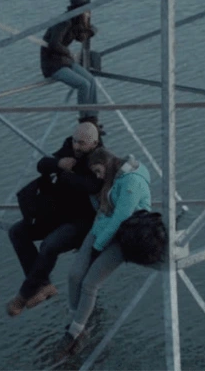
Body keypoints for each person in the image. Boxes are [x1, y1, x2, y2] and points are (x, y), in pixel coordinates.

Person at [6, 119, 105, 316]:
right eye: (75, 141)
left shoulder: (100, 159)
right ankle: (42, 285)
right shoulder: (70, 147)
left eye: (81, 143)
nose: (76, 146)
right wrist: (59, 163)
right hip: (56, 215)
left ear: (93, 144)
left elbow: (94, 186)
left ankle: (24, 294)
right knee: (17, 231)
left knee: (49, 245)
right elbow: (42, 165)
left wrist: (67, 176)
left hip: (81, 222)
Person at [58, 147, 151, 355]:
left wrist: (97, 246)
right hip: (102, 227)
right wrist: (96, 238)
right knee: (74, 276)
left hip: (126, 234)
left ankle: (74, 332)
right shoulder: (112, 178)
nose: (98, 176)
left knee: (90, 283)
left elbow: (121, 218)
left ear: (107, 164)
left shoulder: (131, 181)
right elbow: (104, 211)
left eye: (99, 171)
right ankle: (77, 319)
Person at [41, 0, 99, 120]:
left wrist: (90, 29)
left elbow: (80, 37)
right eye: (86, 11)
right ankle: (84, 119)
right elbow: (54, 44)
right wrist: (68, 52)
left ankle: (93, 117)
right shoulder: (64, 22)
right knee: (83, 84)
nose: (88, 14)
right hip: (53, 64)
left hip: (65, 61)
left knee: (91, 80)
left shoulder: (74, 21)